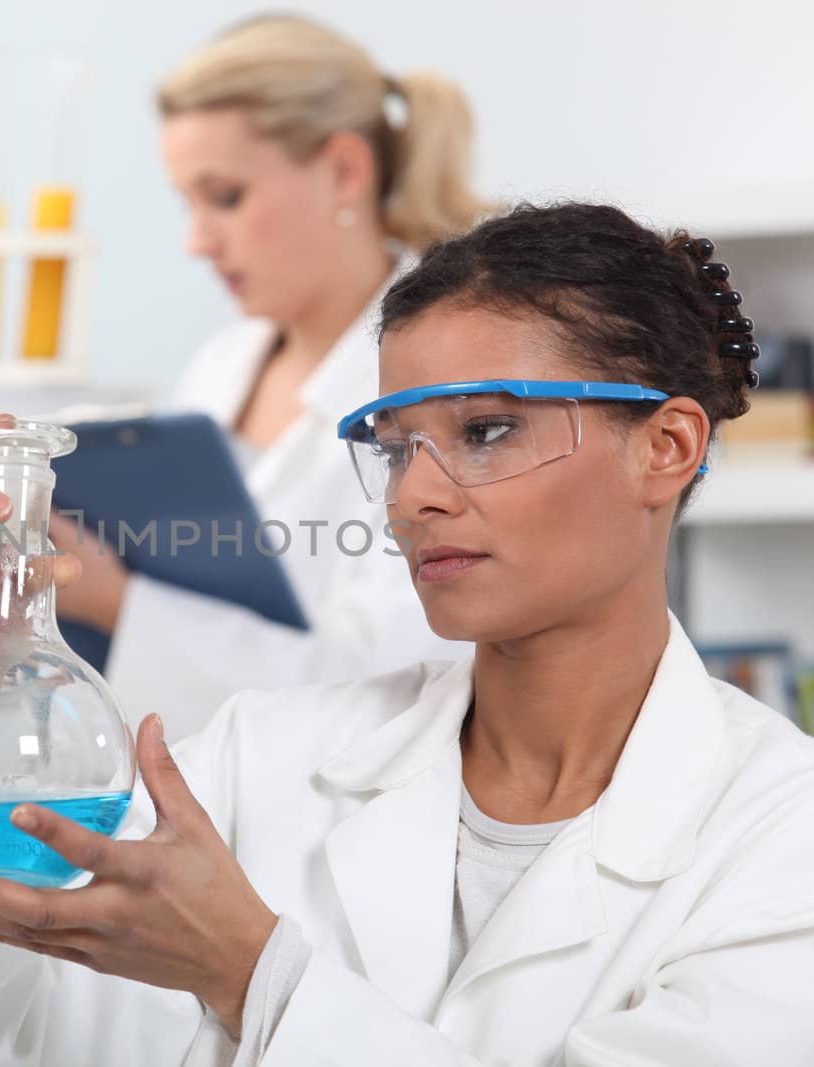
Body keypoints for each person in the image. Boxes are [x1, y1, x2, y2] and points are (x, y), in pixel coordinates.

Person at [0, 203, 814, 1066]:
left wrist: (256, 977)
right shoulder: (256, 759)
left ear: (668, 448)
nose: (412, 497)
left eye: (487, 432)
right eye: (396, 446)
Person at [40, 14, 483, 736]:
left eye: (225, 197)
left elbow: (399, 684)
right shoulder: (222, 364)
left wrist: (120, 606)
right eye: (186, 204)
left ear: (345, 170)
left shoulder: (445, 380)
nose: (196, 241)